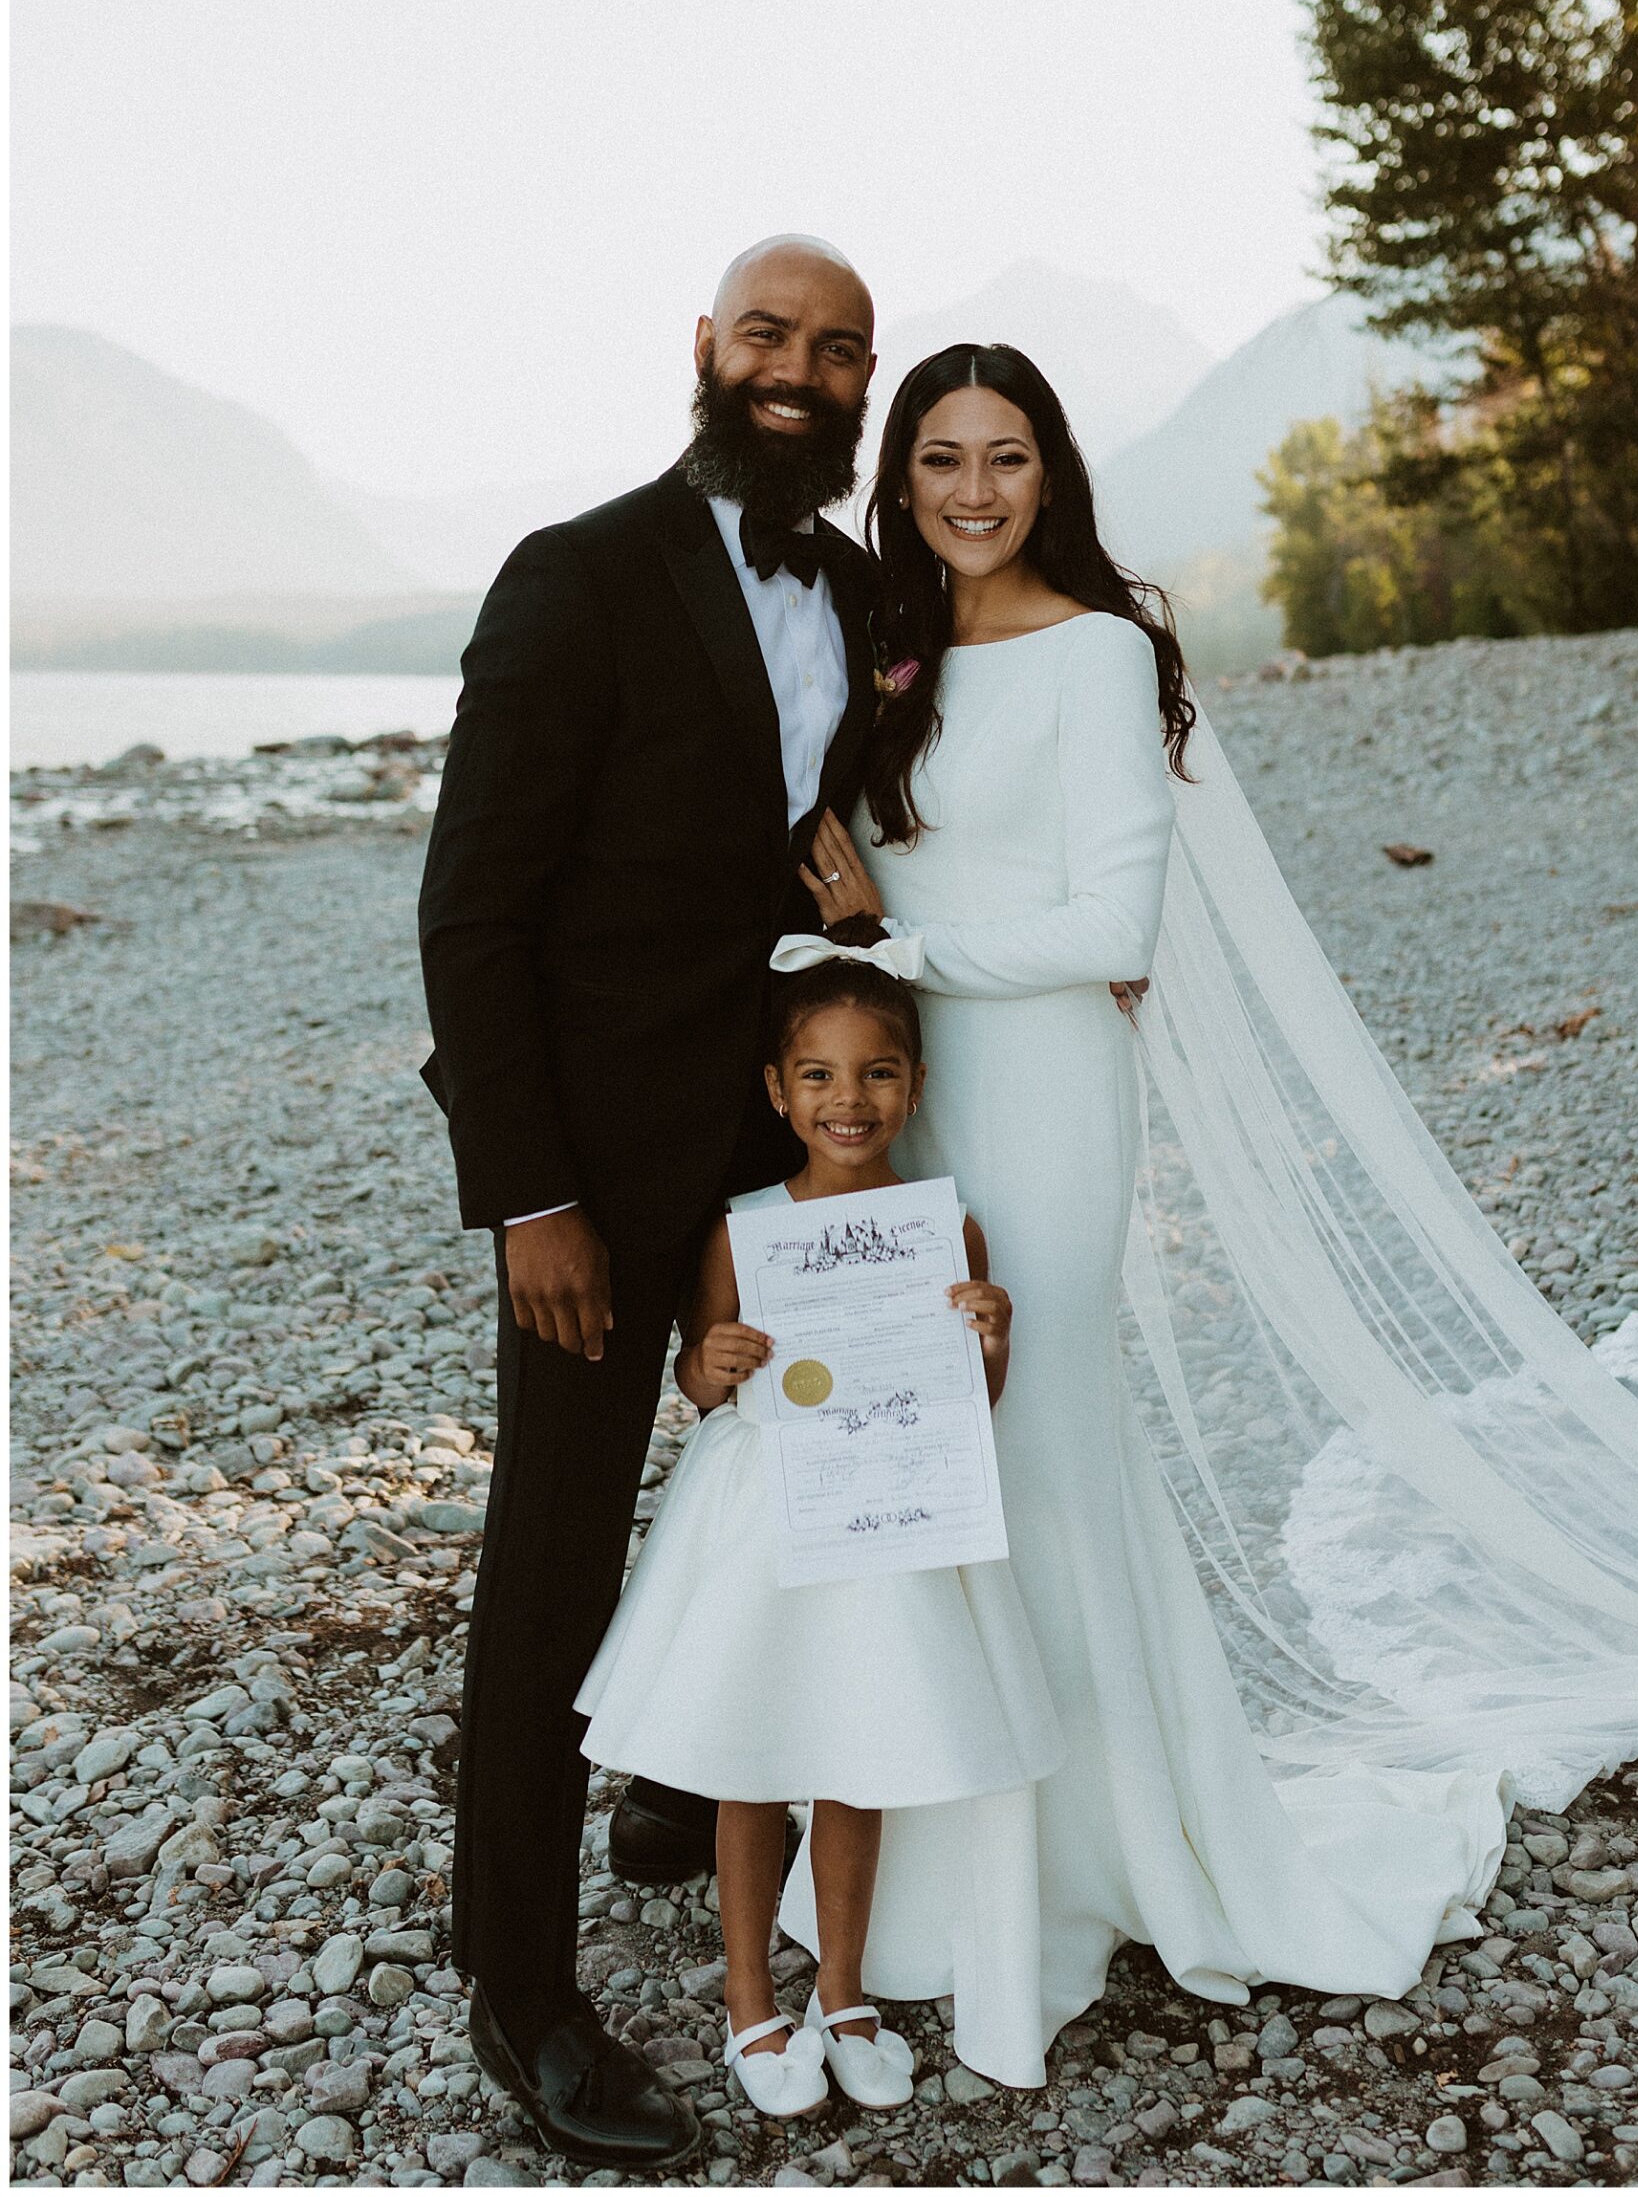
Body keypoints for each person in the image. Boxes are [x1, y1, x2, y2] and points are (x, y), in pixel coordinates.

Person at [785, 340, 1638, 2087]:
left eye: (1003, 459)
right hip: (906, 1104)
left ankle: (1090, 1854)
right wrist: (839, 901)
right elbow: (891, 853)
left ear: (1047, 472)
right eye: (937, 464)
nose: (972, 492)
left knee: (1039, 1445)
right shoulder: (890, 657)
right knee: (927, 1463)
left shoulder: (1101, 652)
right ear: (897, 485)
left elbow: (1110, 931)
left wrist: (891, 954)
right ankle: (926, 1861)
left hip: (1044, 1090)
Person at [417, 236, 881, 2169]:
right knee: (555, 1556)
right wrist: (529, 1196)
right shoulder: (579, 571)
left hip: (790, 1147)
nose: (796, 369)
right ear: (704, 350)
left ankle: (668, 1796)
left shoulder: (859, 589)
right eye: (766, 335)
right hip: (598, 1174)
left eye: (834, 348)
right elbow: (473, 908)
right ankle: (518, 1983)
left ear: (863, 381)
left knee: (786, 1484)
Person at [576, 940, 1061, 2118]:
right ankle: (752, 1996)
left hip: (886, 1516)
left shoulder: (947, 1229)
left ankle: (842, 1987)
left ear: (915, 1084)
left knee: (858, 1757)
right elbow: (702, 1379)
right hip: (766, 1521)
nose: (849, 1101)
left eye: (878, 1074)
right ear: (776, 1091)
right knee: (752, 1761)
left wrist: (990, 1339)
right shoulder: (744, 1227)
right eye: (819, 1077)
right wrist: (711, 1360)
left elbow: (965, 1410)